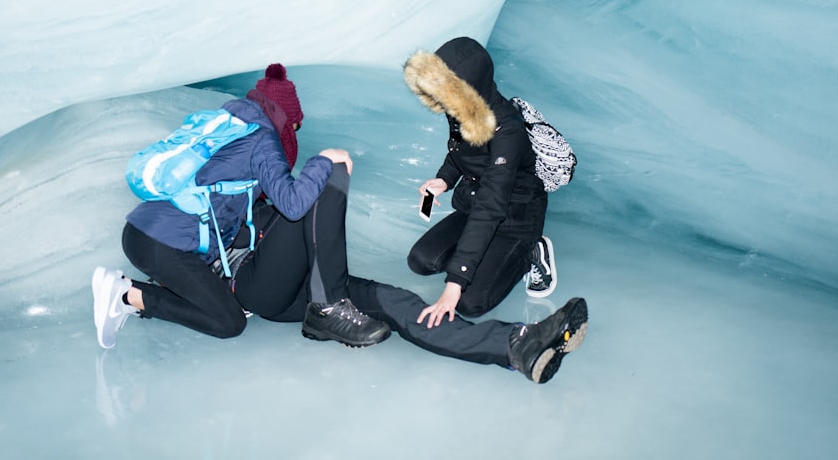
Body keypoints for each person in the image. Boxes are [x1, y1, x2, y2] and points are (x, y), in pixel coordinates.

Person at [93, 62, 589, 384]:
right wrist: (324, 164)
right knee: (331, 171)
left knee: (394, 301)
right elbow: (278, 208)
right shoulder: (247, 155)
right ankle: (329, 307)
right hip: (258, 281)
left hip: (297, 280)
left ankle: (515, 345)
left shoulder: (251, 171)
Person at [403, 36, 556, 324]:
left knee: (470, 303)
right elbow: (462, 153)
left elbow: (491, 206)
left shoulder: (508, 132)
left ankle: (531, 251)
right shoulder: (463, 112)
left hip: (514, 216)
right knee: (422, 261)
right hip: (475, 204)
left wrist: (454, 284)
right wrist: (444, 180)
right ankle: (485, 258)